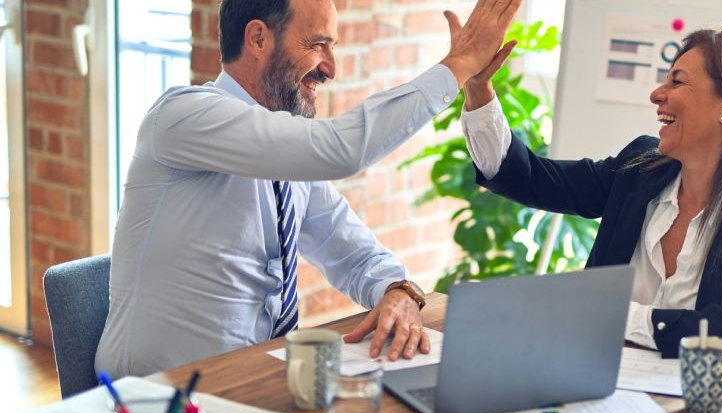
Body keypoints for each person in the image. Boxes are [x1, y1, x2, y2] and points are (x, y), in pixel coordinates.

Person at [96, 0, 521, 378]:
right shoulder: (183, 116)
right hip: (156, 398)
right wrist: (459, 64)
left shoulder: (287, 157)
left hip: (253, 383)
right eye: (318, 44)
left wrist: (398, 291)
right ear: (259, 38)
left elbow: (352, 252)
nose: (331, 68)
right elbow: (341, 150)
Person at [459, 28, 722, 368]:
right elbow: (528, 177)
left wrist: (608, 314)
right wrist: (478, 88)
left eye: (677, 81)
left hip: (707, 408)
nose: (657, 94)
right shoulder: (639, 171)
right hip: (597, 383)